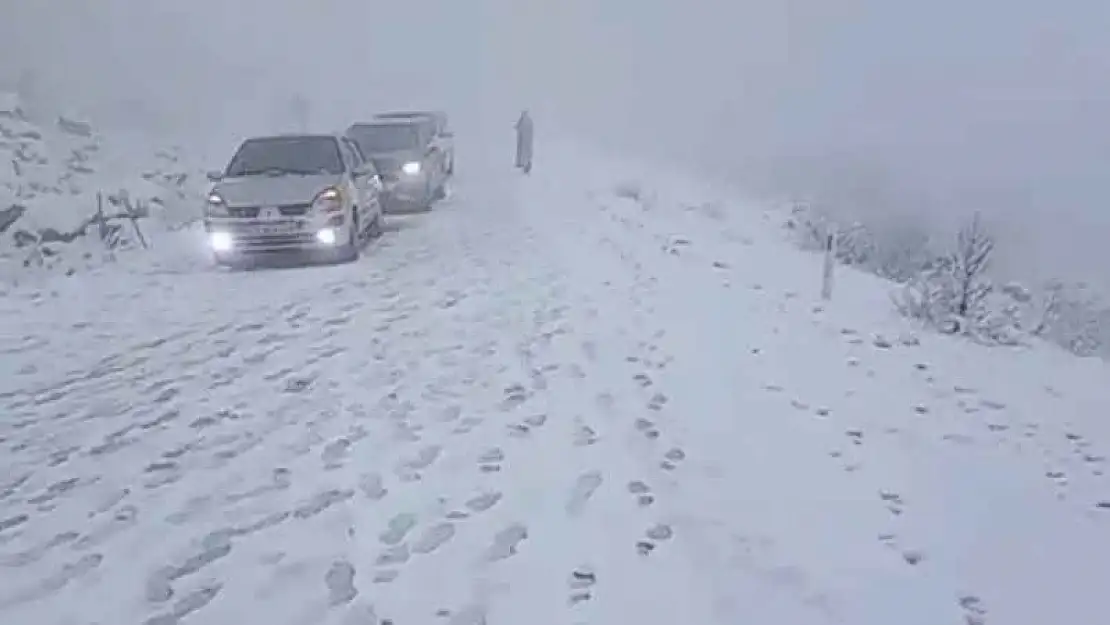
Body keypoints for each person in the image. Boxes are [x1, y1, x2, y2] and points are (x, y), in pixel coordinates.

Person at [514, 109, 533, 174]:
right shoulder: (530, 121)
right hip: (528, 141)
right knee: (526, 153)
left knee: (521, 152)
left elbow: (517, 127)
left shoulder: (522, 120)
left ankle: (522, 165)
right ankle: (524, 165)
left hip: (523, 140)